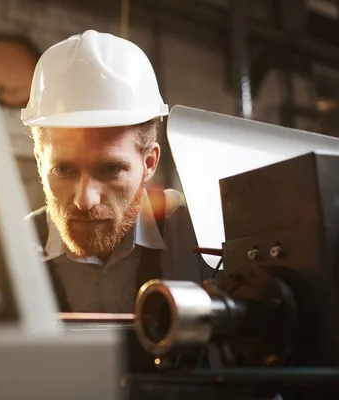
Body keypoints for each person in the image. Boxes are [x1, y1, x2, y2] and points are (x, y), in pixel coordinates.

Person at [21, 30, 212, 314]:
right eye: (63, 169)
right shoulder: (14, 250)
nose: (85, 201)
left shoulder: (199, 237)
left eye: (110, 169)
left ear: (149, 163)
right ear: (40, 162)